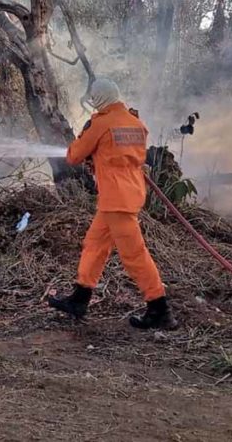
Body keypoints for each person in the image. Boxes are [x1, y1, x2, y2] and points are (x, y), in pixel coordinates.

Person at [47, 77, 177, 330]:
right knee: (94, 245)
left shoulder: (101, 123)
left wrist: (87, 135)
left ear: (98, 99)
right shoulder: (135, 123)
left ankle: (160, 308)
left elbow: (73, 156)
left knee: (134, 255)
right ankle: (80, 298)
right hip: (125, 195)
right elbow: (126, 157)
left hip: (116, 200)